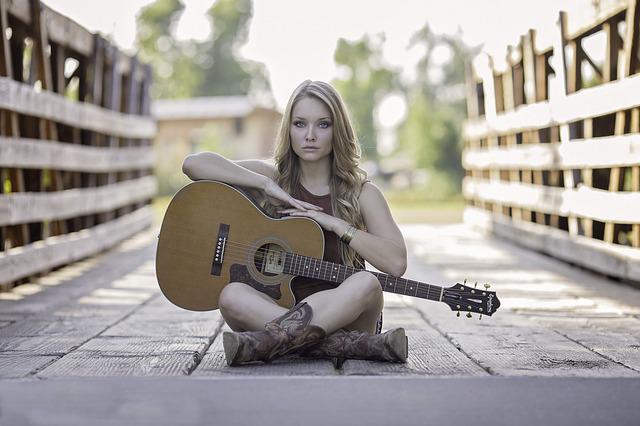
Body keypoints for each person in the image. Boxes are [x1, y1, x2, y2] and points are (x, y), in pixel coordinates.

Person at [182, 80, 408, 366]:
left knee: (366, 282)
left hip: (349, 316)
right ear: (288, 128)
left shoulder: (362, 192)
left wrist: (339, 226)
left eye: (323, 125)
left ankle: (273, 342)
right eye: (300, 124)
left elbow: (397, 263)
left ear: (337, 130)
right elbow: (193, 165)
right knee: (231, 295)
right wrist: (264, 184)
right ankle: (348, 347)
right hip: (279, 309)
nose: (310, 135)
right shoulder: (275, 179)